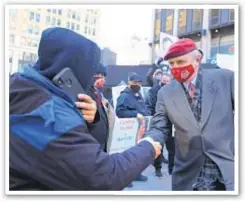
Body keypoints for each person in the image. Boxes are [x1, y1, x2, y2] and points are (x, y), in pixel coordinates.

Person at [9, 27, 162, 190]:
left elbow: (80, 145)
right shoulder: (50, 116)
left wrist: (91, 118)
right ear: (75, 67)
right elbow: (105, 176)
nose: (93, 78)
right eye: (91, 71)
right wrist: (148, 148)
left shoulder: (22, 86)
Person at [145, 38, 234, 191]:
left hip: (225, 173)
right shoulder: (165, 93)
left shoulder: (225, 79)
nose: (175, 68)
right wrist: (149, 143)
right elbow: (159, 127)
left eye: (180, 62)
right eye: (171, 64)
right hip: (189, 176)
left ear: (197, 59)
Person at [116, 72, 151, 183]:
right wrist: (135, 114)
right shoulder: (124, 95)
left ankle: (136, 174)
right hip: (129, 130)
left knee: (137, 153)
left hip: (140, 129)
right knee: (128, 155)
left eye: (139, 83)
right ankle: (127, 178)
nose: (138, 85)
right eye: (135, 82)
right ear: (129, 82)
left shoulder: (138, 94)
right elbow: (120, 111)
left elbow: (143, 107)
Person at [145, 71, 175, 177]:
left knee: (172, 148)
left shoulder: (174, 91)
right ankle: (158, 168)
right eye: (164, 81)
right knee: (158, 146)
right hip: (159, 123)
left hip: (172, 123)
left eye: (168, 81)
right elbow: (150, 106)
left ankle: (172, 169)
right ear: (161, 81)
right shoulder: (154, 91)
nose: (166, 83)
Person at [84, 63, 115, 152]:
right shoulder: (85, 94)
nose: (100, 80)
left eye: (102, 77)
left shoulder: (101, 96)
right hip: (90, 149)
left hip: (102, 147)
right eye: (97, 77)